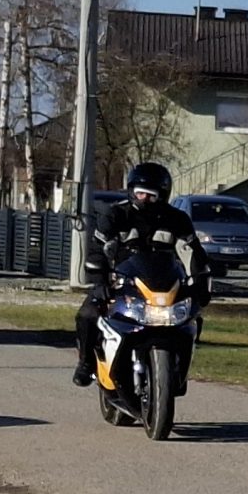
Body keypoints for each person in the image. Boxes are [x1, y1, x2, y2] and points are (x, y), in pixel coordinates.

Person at [73, 162, 207, 385]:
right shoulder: (116, 214)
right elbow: (97, 250)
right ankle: (86, 363)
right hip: (123, 282)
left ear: (162, 196)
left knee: (193, 315)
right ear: (131, 191)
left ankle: (179, 367)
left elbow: (195, 253)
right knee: (87, 314)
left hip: (165, 284)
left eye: (151, 195)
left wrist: (200, 283)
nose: (144, 199)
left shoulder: (177, 219)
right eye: (140, 193)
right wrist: (100, 281)